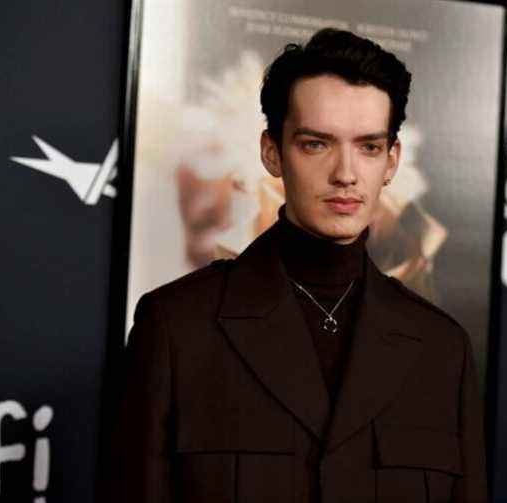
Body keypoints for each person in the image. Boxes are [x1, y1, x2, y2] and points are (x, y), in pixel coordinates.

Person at [106, 28, 486, 502]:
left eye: (368, 147)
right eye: (316, 144)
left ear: (391, 162)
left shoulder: (442, 350)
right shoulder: (175, 328)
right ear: (272, 152)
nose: (345, 173)